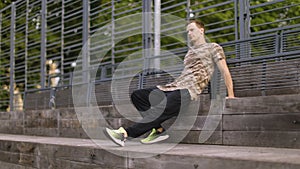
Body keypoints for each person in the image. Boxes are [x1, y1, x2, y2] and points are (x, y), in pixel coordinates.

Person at [104, 20, 235, 146]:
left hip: (188, 91)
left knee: (160, 109)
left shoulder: (213, 47)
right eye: (187, 31)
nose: (189, 33)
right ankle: (158, 131)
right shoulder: (189, 53)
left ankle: (125, 134)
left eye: (192, 30)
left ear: (201, 30)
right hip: (172, 87)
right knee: (138, 95)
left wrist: (231, 94)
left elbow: (224, 70)